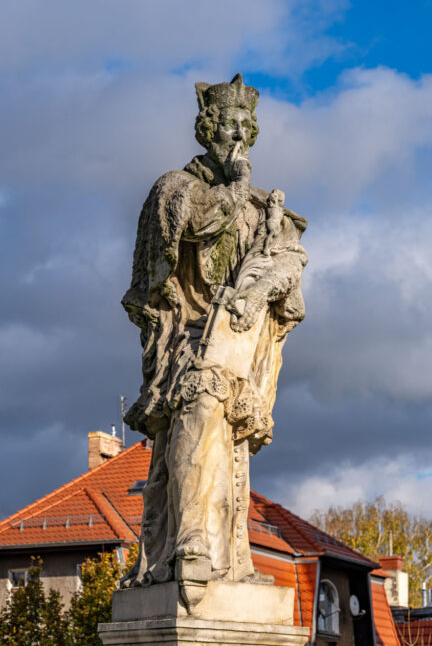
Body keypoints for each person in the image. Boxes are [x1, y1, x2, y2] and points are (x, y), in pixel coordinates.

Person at [121, 75, 308, 604]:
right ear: (207, 129)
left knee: (229, 437)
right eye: (230, 125)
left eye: (248, 128)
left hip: (238, 345)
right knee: (200, 400)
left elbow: (290, 270)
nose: (240, 137)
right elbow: (190, 226)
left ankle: (226, 555)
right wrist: (231, 187)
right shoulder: (177, 189)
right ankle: (191, 545)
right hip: (184, 339)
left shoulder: (261, 209)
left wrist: (268, 282)